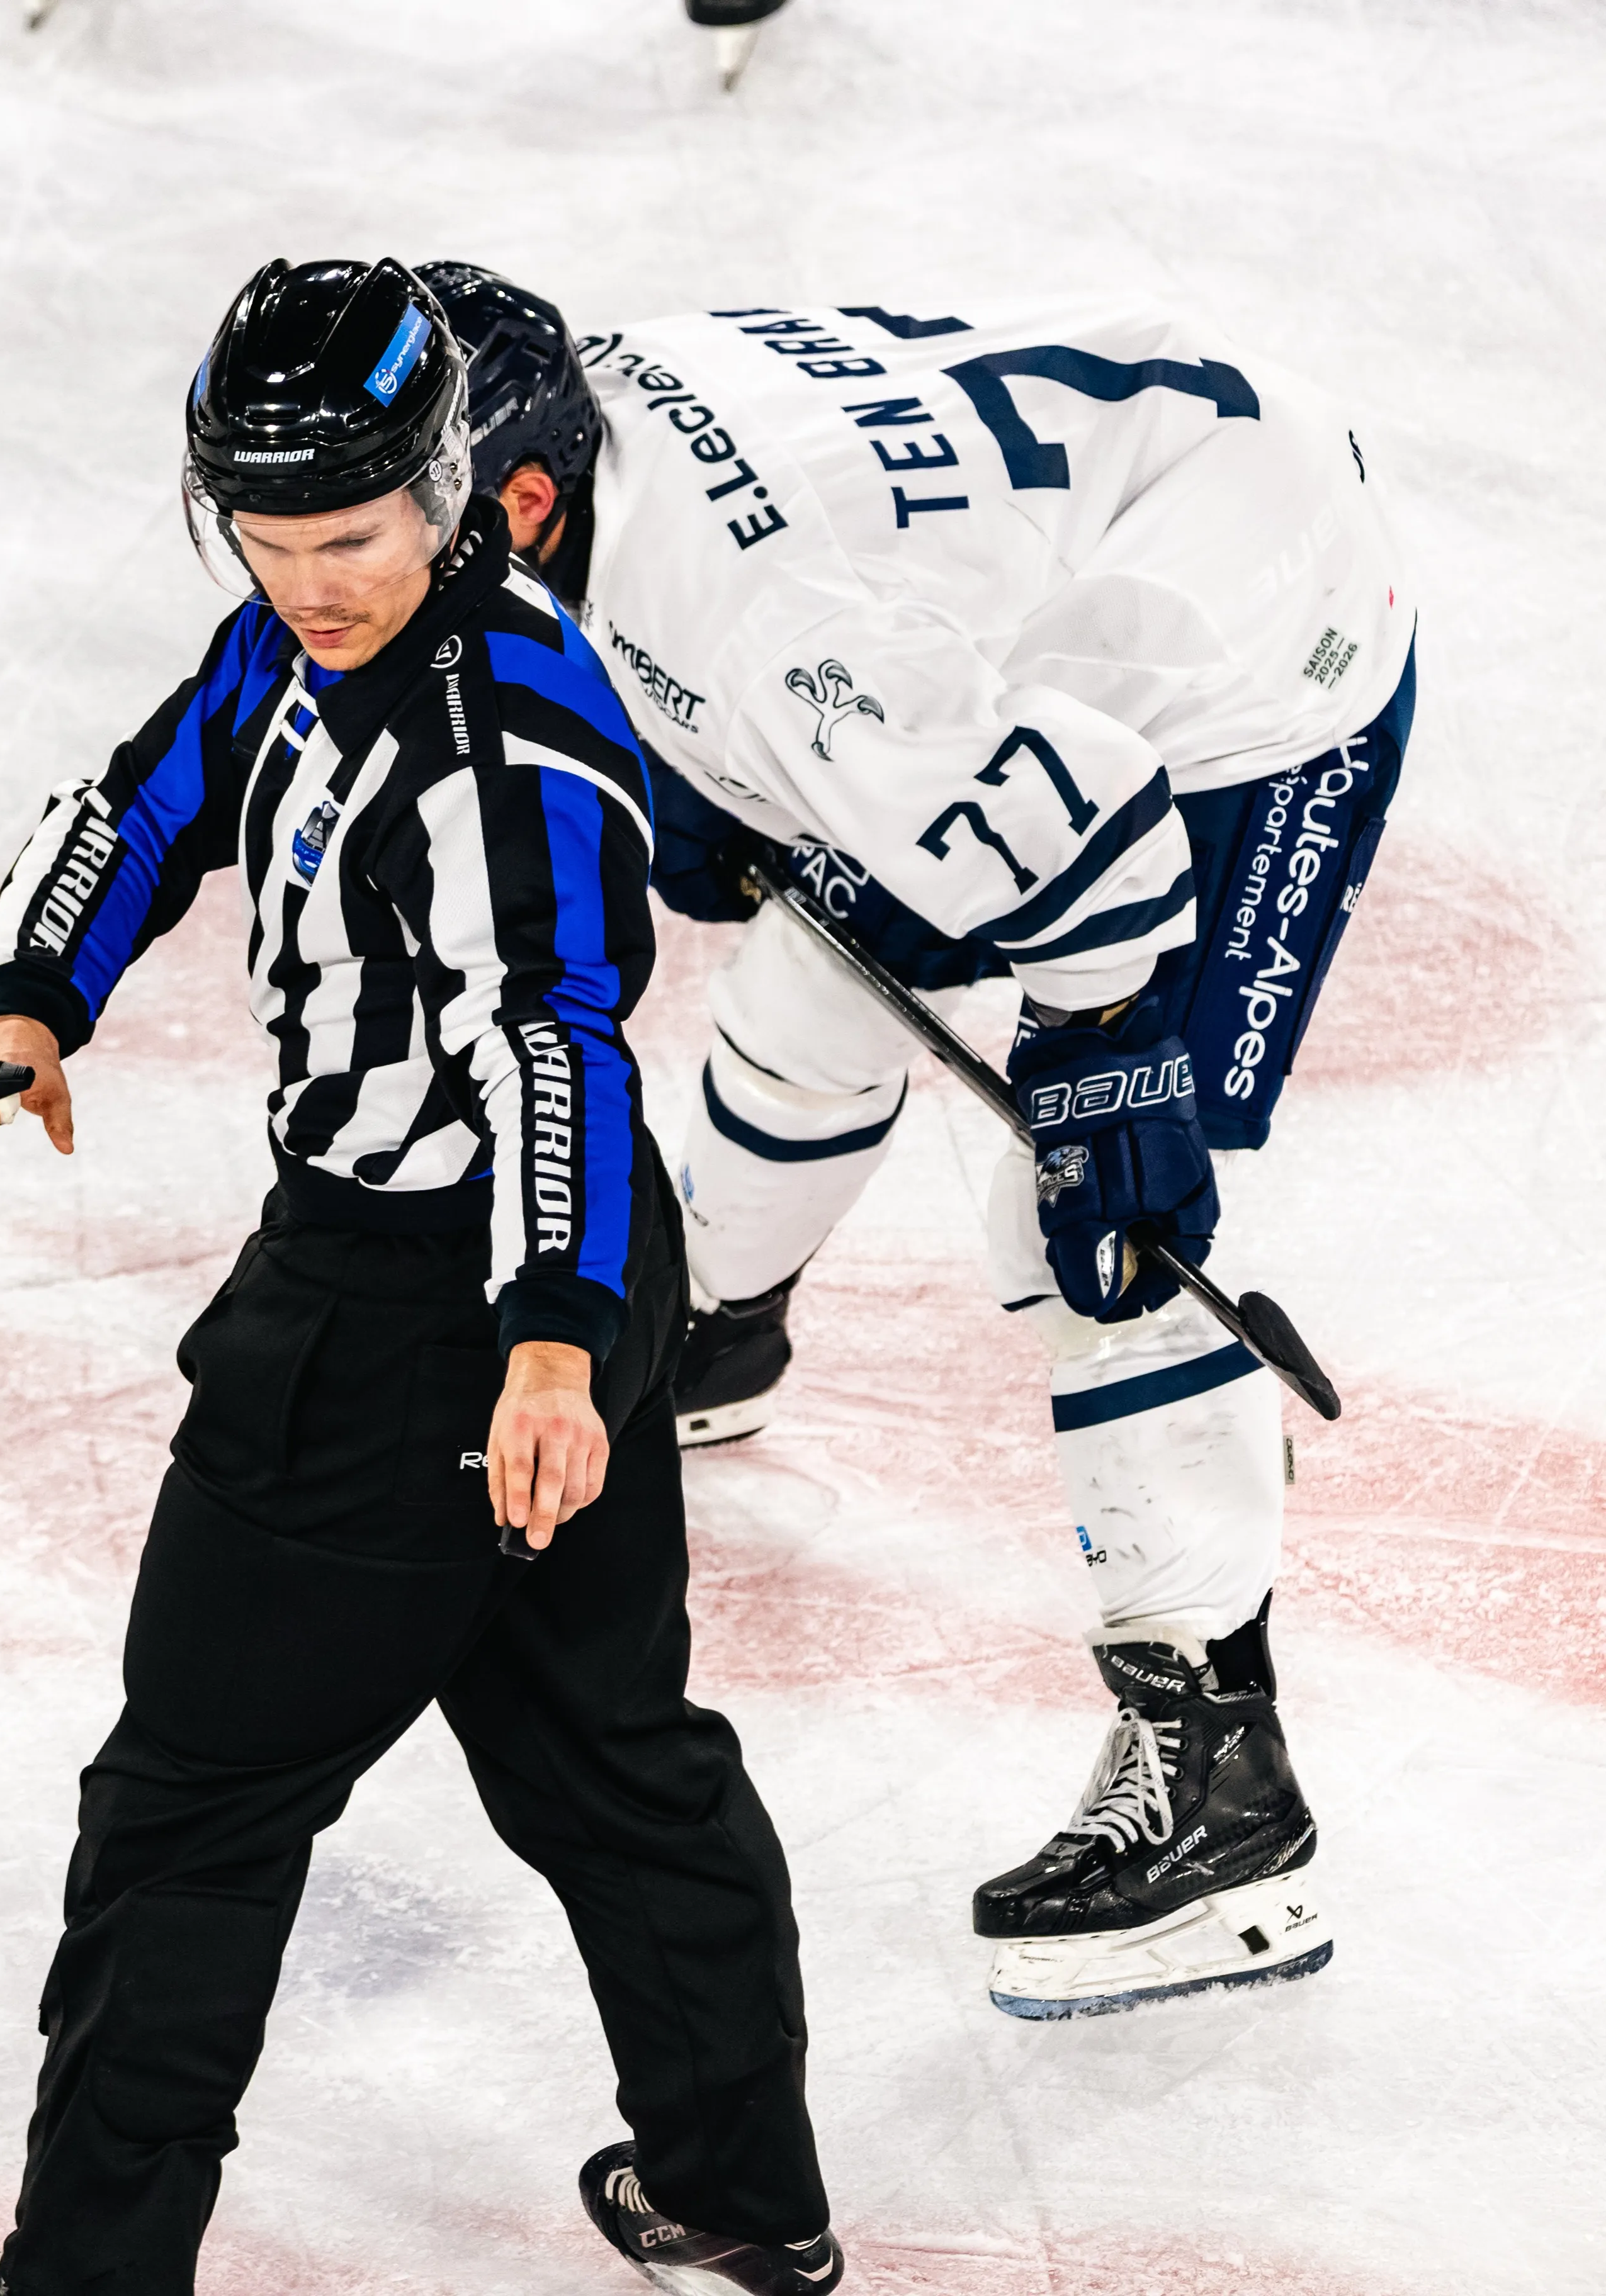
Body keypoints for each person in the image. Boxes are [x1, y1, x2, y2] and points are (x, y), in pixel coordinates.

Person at [0, 261, 839, 2296]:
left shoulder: (505, 757)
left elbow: (554, 1047)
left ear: (447, 490)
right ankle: (741, 2201)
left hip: (434, 1317)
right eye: (264, 532)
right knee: (609, 1758)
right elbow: (150, 789)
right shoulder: (292, 638)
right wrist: (30, 1000)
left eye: (347, 536)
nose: (305, 580)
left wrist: (551, 1353)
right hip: (539, 1302)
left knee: (188, 1815)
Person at [414, 263, 1408, 2017]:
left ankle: (1223, 1789)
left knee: (1095, 1236)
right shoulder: (585, 444)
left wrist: (1106, 1065)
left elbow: (1093, 857)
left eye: (364, 530)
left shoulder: (771, 626)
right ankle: (711, 1318)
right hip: (1065, 567)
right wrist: (716, 779)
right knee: (821, 974)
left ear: (515, 498)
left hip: (1246, 670)